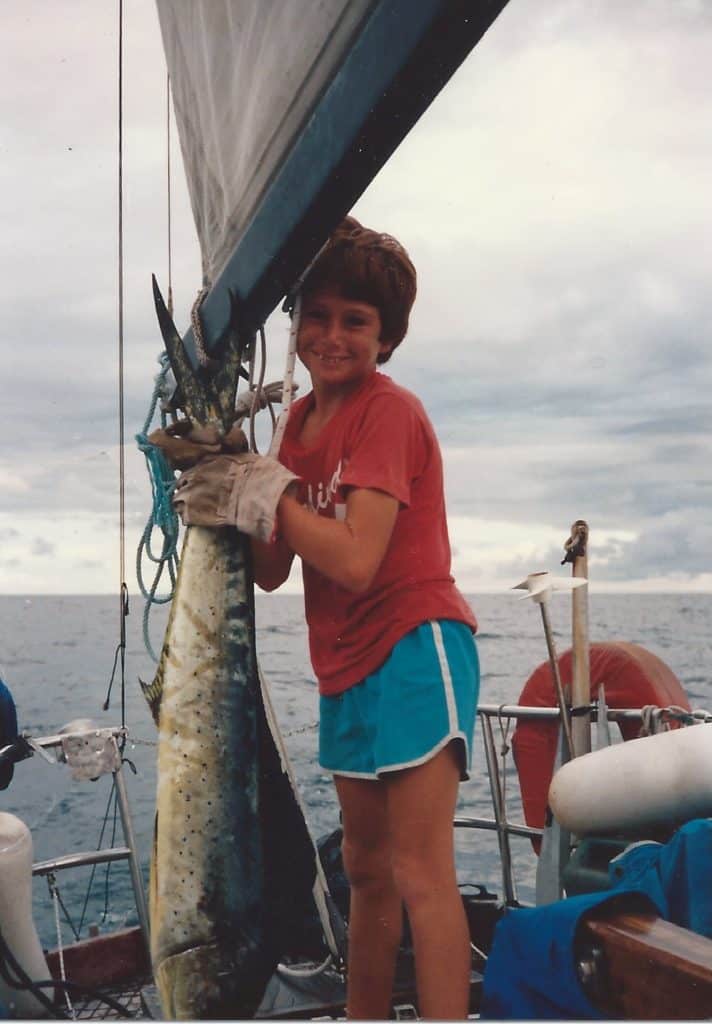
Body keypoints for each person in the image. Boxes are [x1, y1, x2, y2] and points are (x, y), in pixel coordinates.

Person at [162, 217, 480, 1020]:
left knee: (420, 875)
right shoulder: (295, 428)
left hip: (415, 647)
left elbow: (354, 558)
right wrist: (228, 481)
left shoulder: (388, 413)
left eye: (357, 321)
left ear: (388, 337)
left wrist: (264, 491)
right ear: (295, 321)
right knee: (368, 874)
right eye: (318, 315)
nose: (332, 336)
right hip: (344, 668)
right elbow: (273, 570)